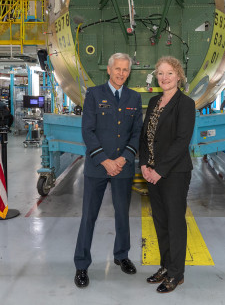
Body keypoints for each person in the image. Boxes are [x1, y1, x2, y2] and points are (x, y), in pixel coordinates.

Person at [74, 53, 143, 288]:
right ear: (109, 70)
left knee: (123, 215)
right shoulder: (94, 94)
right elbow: (88, 131)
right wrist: (105, 161)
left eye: (125, 70)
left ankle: (122, 256)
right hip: (97, 167)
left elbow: (136, 133)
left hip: (122, 167)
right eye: (117, 69)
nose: (121, 73)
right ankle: (81, 265)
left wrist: (123, 159)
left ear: (129, 72)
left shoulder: (134, 97)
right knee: (88, 217)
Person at [139, 56, 196, 294]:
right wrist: (144, 165)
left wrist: (159, 171)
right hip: (151, 171)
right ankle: (165, 265)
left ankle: (176, 273)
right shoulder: (154, 101)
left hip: (174, 173)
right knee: (160, 222)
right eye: (160, 73)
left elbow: (182, 141)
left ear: (179, 76)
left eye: (169, 73)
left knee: (175, 223)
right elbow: (145, 136)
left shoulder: (185, 104)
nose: (164, 77)